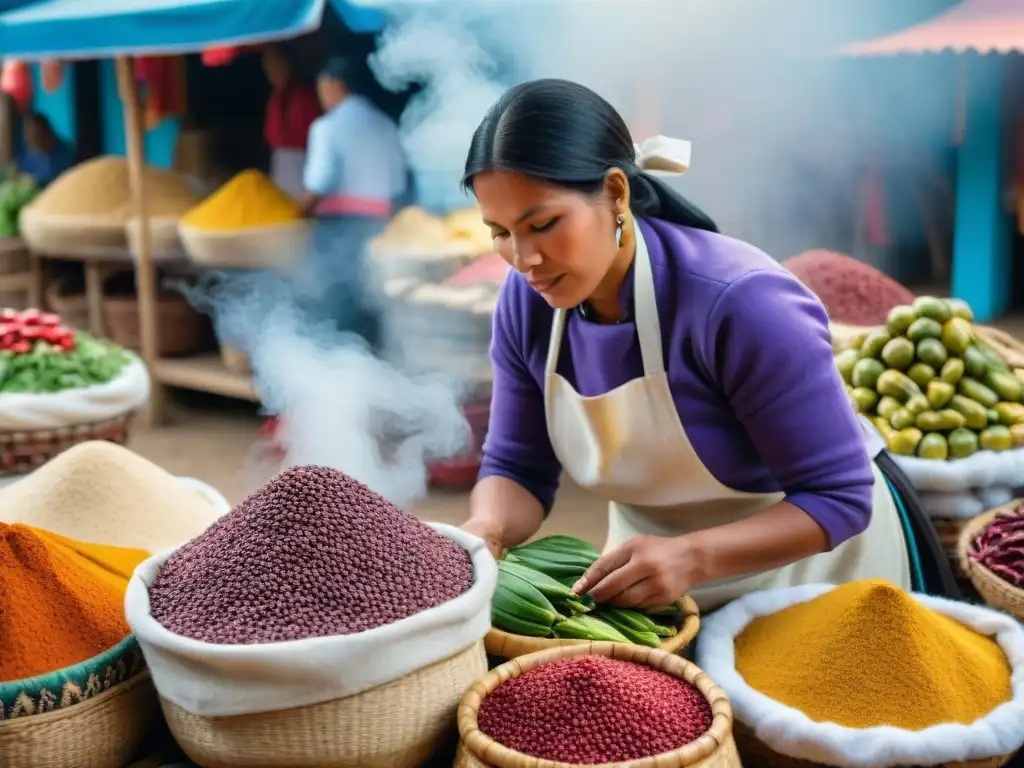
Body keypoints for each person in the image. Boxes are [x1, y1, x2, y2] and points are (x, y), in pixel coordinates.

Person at [458, 79, 954, 613]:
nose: (523, 258)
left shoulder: (741, 304)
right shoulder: (527, 303)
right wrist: (486, 527)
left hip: (813, 575)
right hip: (651, 584)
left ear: (617, 193)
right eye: (500, 232)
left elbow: (838, 498)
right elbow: (518, 467)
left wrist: (692, 557)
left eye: (543, 225)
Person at [298, 57, 409, 347]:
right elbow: (398, 184)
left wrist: (298, 212)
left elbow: (319, 182)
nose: (321, 97)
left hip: (338, 226)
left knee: (335, 297)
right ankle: (372, 359)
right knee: (371, 296)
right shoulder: (385, 124)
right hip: (380, 224)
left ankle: (335, 360)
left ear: (335, 86)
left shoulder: (327, 126)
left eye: (321, 89)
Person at [262, 45, 320, 200]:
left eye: (275, 66)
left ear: (287, 65)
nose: (271, 72)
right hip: (281, 161)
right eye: (268, 67)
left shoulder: (302, 96)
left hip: (301, 162)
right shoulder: (277, 95)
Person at [17, 112, 72, 187]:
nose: (27, 137)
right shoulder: (29, 153)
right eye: (26, 131)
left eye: (31, 132)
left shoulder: (64, 154)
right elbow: (22, 173)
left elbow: (61, 180)